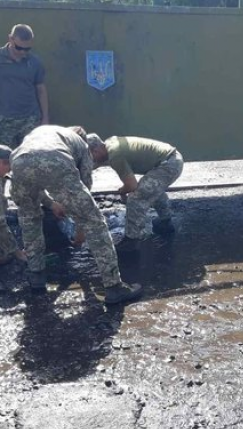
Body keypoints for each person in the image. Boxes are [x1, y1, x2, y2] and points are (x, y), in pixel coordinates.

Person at [10, 125, 143, 303]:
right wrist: (81, 231)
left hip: (18, 161)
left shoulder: (46, 132)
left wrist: (52, 202)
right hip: (55, 159)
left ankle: (36, 277)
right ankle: (114, 287)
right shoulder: (82, 144)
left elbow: (34, 170)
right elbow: (85, 190)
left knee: (30, 218)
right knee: (95, 221)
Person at [85, 134, 184, 253]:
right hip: (171, 158)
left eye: (91, 157)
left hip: (169, 165)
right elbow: (99, 160)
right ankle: (166, 222)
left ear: (95, 150)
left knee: (136, 198)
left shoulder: (115, 156)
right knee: (152, 189)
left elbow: (131, 185)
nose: (93, 160)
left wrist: (121, 191)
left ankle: (132, 240)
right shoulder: (110, 144)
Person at [0, 24, 49, 148]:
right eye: (19, 48)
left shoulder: (35, 62)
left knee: (31, 155)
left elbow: (41, 90)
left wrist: (45, 118)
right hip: (4, 120)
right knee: (2, 157)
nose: (23, 52)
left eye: (27, 49)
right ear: (10, 39)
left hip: (30, 119)